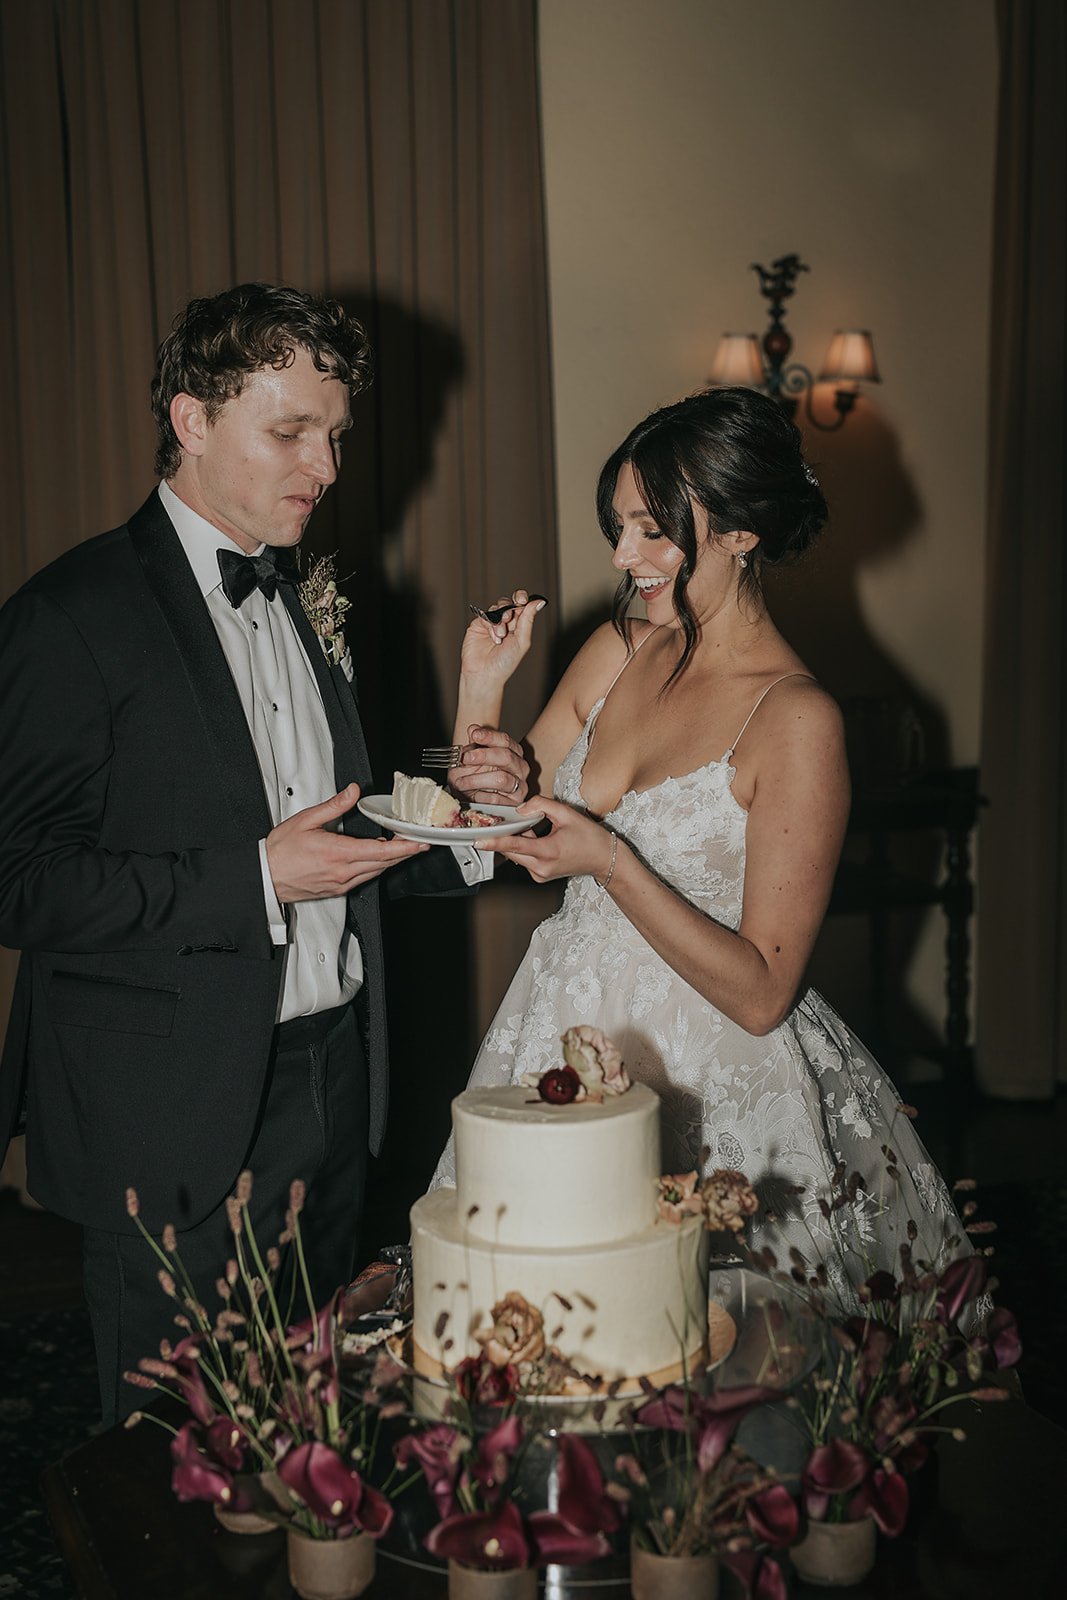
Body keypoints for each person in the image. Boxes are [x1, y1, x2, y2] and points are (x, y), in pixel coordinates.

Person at [0, 282, 530, 1424]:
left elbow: (338, 828)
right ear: (192, 420)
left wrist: (476, 823)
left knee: (313, 1426)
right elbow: (21, 880)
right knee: (174, 1452)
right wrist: (251, 879)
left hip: (332, 1083)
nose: (325, 467)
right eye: (289, 432)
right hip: (168, 1105)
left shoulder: (312, 592)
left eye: (333, 436)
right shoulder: (69, 615)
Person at [433, 386, 967, 1301]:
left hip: (715, 1071)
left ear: (739, 533)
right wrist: (480, 693)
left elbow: (762, 995)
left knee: (703, 1344)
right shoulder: (616, 650)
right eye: (617, 526)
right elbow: (481, 838)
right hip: (564, 1032)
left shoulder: (796, 718)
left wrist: (606, 861)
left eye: (652, 528)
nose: (621, 555)